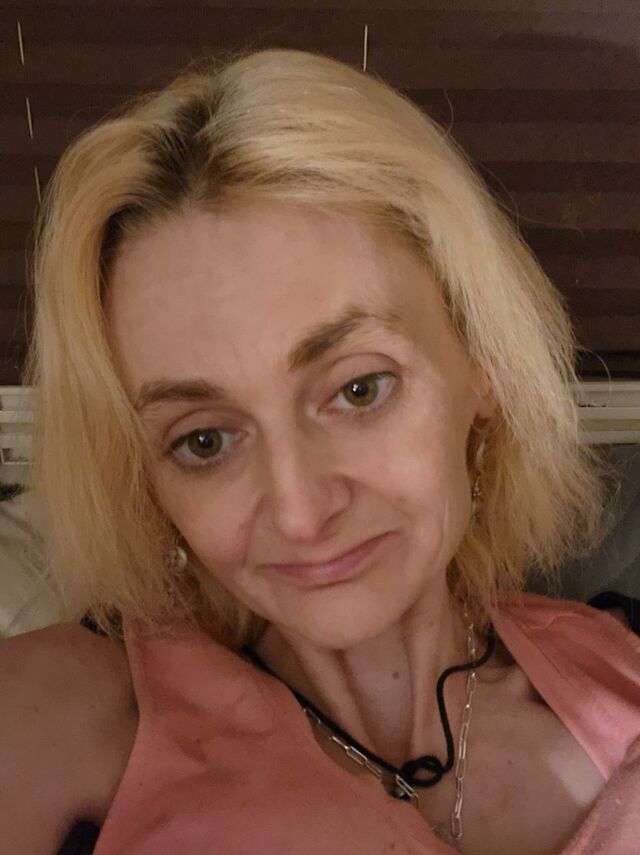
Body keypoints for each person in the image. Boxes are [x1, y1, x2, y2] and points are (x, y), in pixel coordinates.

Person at [2, 48, 639, 855]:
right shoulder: (62, 721)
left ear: (483, 359)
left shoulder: (619, 667)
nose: (301, 512)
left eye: (359, 389)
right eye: (204, 440)